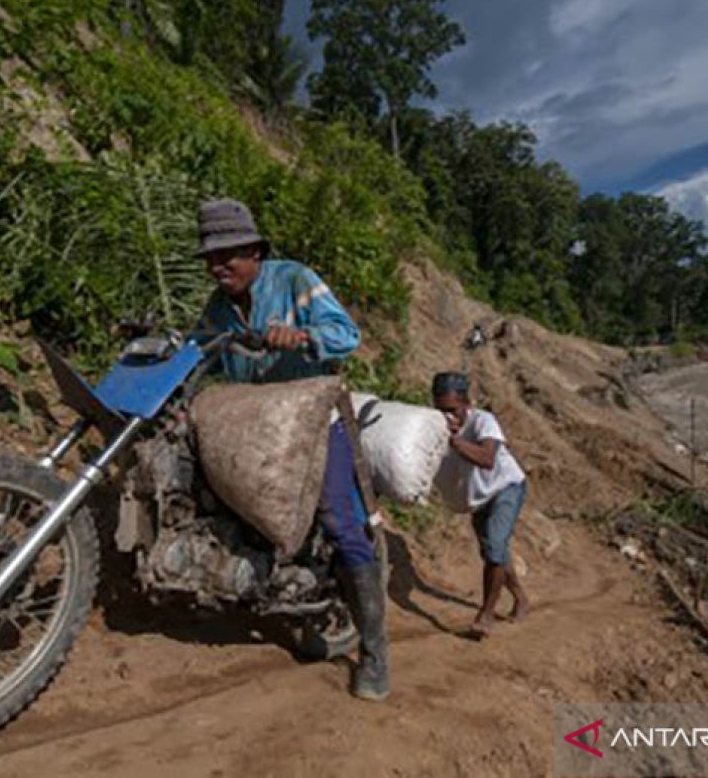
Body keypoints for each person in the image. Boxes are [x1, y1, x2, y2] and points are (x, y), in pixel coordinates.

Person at [188, 198, 389, 701]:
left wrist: (301, 335)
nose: (219, 267)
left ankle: (375, 653)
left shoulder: (296, 279)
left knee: (340, 521)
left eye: (228, 255)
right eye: (211, 258)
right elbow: (197, 353)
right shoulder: (218, 307)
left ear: (255, 250)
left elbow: (347, 336)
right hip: (250, 425)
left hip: (312, 419)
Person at [432, 372, 529, 637]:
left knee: (495, 547)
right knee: (493, 550)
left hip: (506, 488)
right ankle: (520, 597)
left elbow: (487, 458)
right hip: (478, 497)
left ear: (466, 404)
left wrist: (453, 440)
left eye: (452, 410)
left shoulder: (483, 421)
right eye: (439, 410)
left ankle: (485, 616)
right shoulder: (434, 428)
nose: (447, 417)